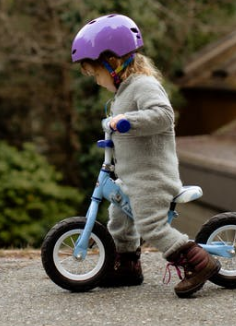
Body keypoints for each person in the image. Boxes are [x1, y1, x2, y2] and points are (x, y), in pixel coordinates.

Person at [71, 14, 221, 298]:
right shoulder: (123, 92)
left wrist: (128, 121)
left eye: (96, 73)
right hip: (132, 175)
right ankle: (126, 267)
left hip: (152, 176)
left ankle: (198, 262)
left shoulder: (143, 85)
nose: (97, 81)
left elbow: (164, 116)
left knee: (150, 225)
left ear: (112, 62)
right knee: (118, 216)